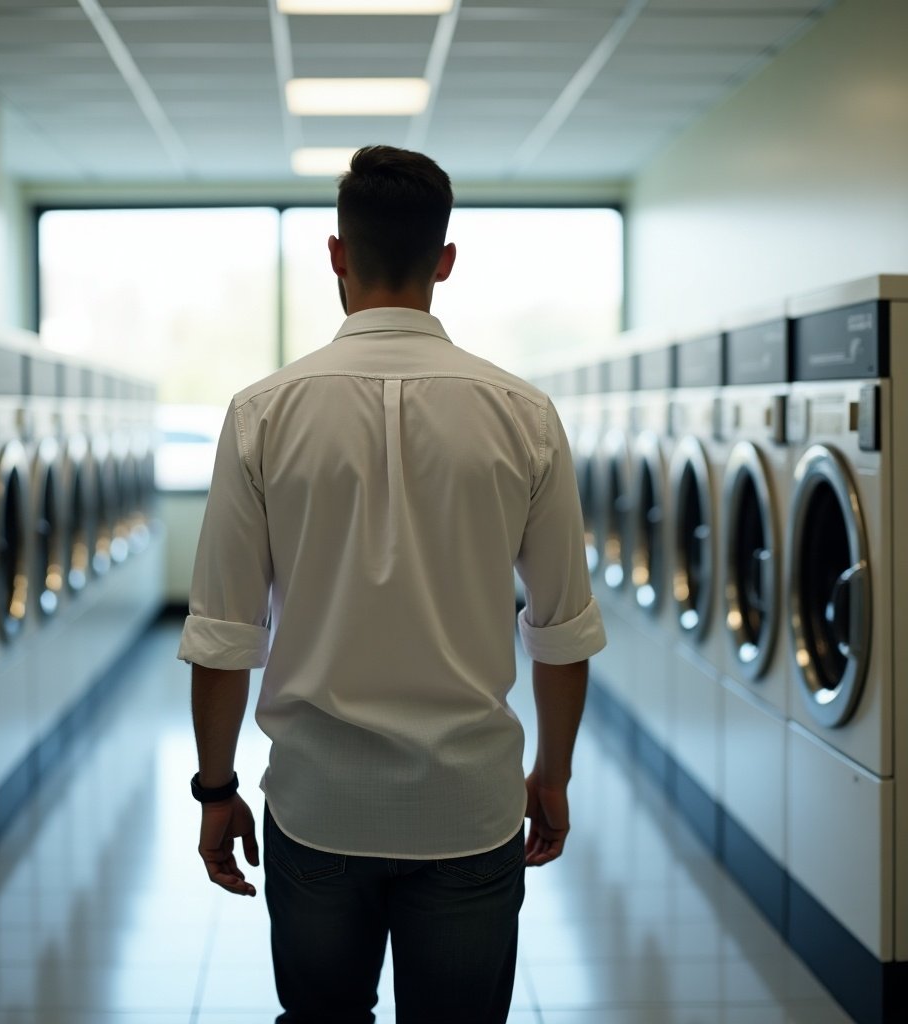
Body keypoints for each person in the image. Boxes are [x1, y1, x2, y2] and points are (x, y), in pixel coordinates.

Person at [178, 145, 606, 1024]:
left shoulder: (263, 412)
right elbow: (561, 627)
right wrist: (551, 773)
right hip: (468, 808)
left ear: (336, 252)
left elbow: (225, 634)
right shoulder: (523, 415)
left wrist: (216, 790)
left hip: (317, 808)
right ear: (444, 262)